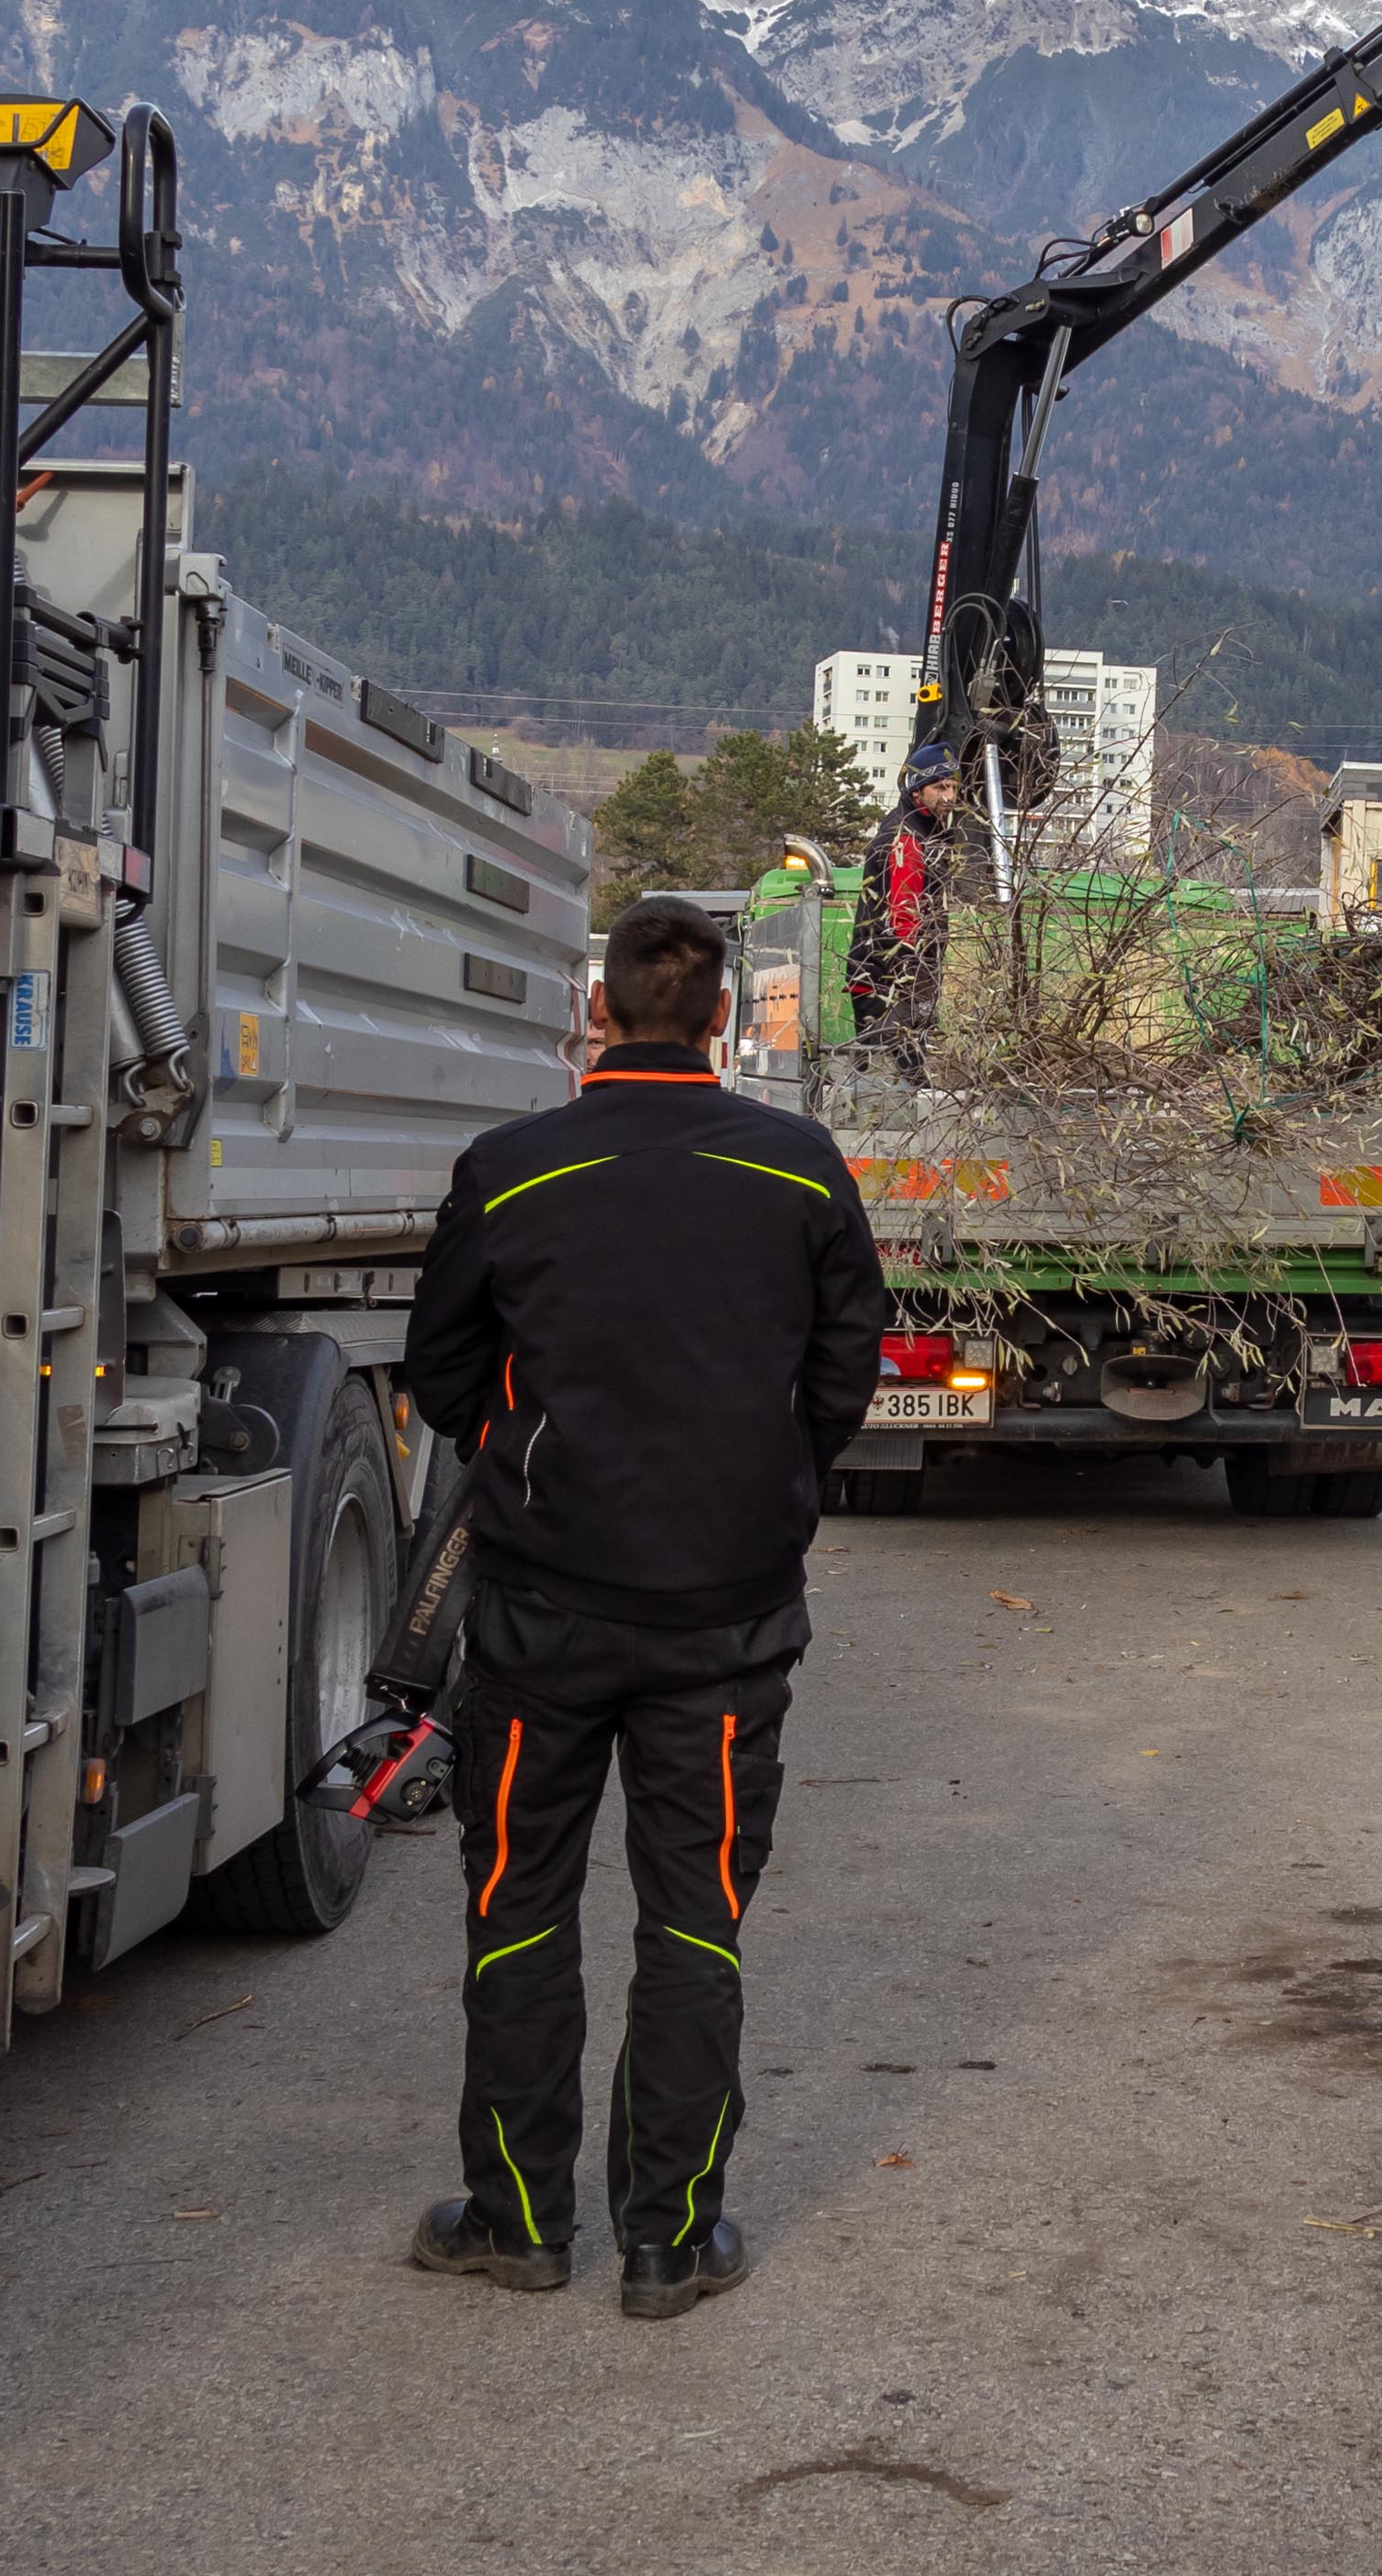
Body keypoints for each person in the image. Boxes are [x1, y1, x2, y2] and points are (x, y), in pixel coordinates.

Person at [396, 894, 889, 2316]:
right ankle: (672, 2238)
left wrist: (520, 1457)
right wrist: (780, 1473)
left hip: (542, 1612)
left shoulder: (508, 1168)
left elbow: (441, 1364)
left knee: (515, 1907)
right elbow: (848, 1352)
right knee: (693, 1922)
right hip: (728, 1619)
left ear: (599, 1010)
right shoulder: (797, 1168)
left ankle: (517, 2219)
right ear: (724, 1019)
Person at [847, 743, 960, 1078]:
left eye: (953, 786)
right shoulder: (906, 839)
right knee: (905, 1078)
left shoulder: (925, 830)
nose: (949, 796)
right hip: (890, 976)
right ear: (916, 792)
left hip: (888, 974)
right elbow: (904, 915)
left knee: (889, 1073)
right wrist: (918, 977)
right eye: (939, 787)